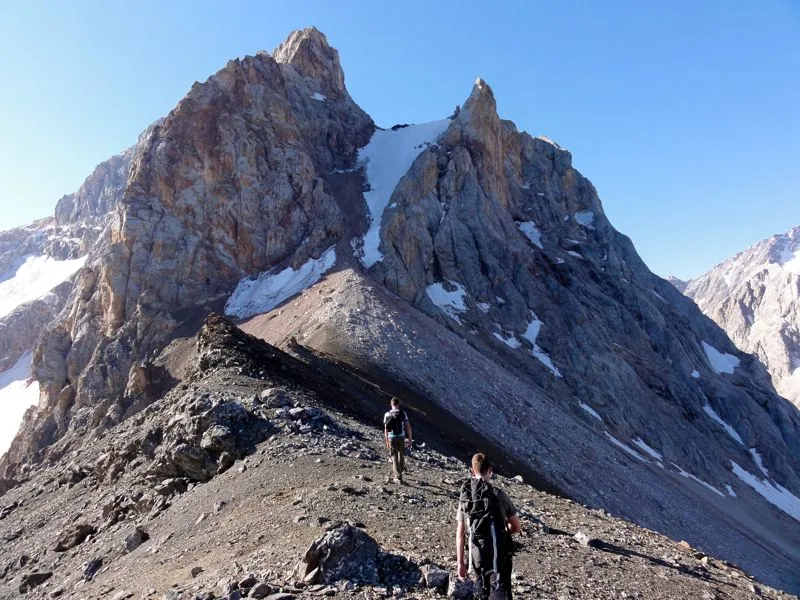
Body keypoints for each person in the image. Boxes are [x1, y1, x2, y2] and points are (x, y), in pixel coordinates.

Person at [456, 452, 521, 599]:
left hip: (476, 557)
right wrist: (504, 532)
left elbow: (460, 533)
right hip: (498, 558)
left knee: (482, 592)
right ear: (490, 471)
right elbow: (516, 526)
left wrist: (461, 563)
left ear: (472, 470)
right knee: (499, 592)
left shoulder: (466, 498)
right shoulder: (499, 495)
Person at [383, 397, 412, 484]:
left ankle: (398, 476)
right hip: (401, 437)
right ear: (398, 404)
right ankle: (400, 472)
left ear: (391, 404)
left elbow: (386, 429)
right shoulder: (403, 413)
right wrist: (410, 439)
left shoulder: (387, 414)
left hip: (392, 437)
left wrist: (387, 440)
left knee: (394, 457)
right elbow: (408, 427)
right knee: (401, 455)